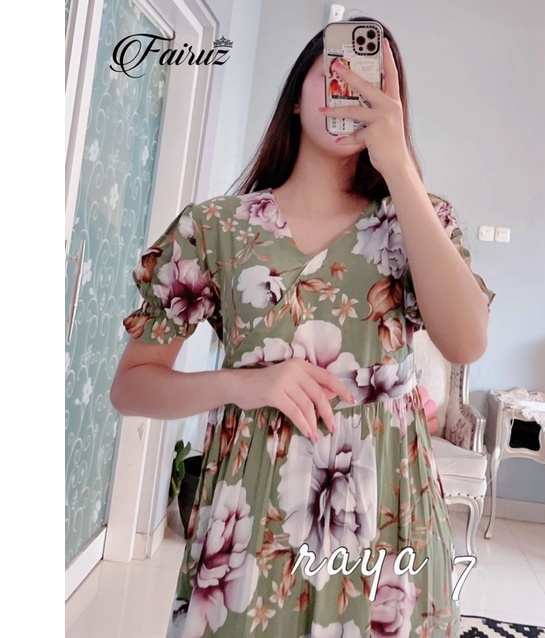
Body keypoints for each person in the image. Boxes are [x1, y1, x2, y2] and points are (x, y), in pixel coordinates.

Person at [111, 17, 494, 638]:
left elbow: (467, 341)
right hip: (252, 515)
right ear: (295, 96)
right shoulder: (216, 229)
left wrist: (399, 167)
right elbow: (132, 386)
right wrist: (243, 384)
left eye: (371, 82)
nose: (349, 92)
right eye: (333, 74)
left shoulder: (417, 223)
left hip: (387, 517)